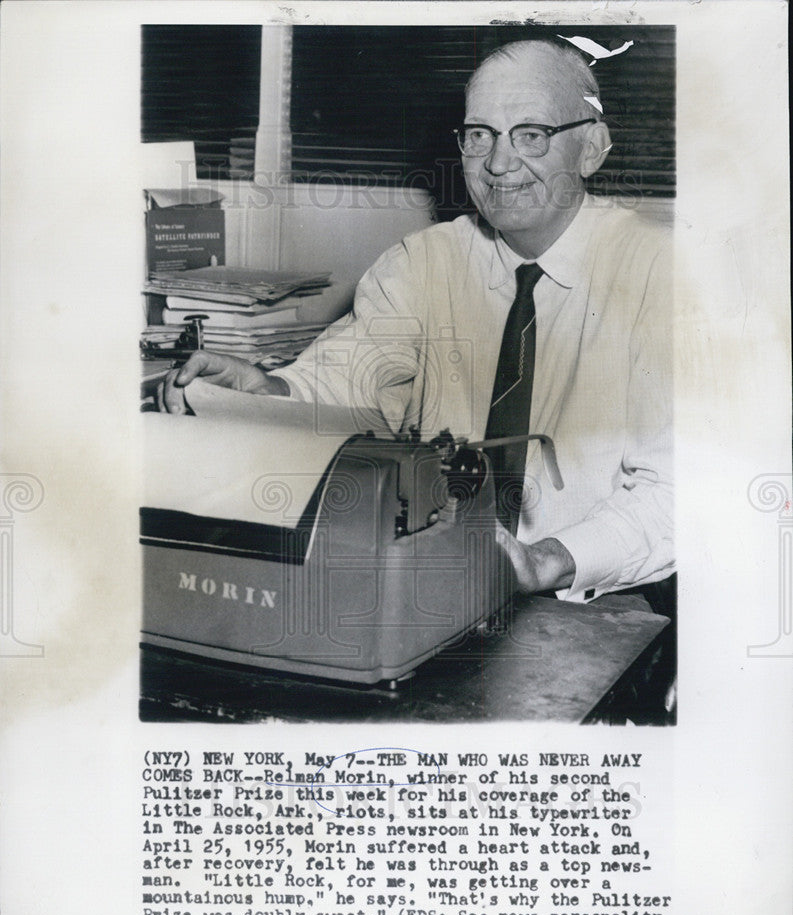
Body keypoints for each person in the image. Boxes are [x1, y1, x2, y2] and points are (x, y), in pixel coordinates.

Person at [159, 38, 673, 606]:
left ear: (591, 148)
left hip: (590, 596)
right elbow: (349, 383)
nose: (499, 164)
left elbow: (682, 493)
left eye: (531, 134)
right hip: (433, 582)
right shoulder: (422, 261)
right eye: (480, 135)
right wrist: (267, 389)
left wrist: (546, 561)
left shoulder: (661, 275)